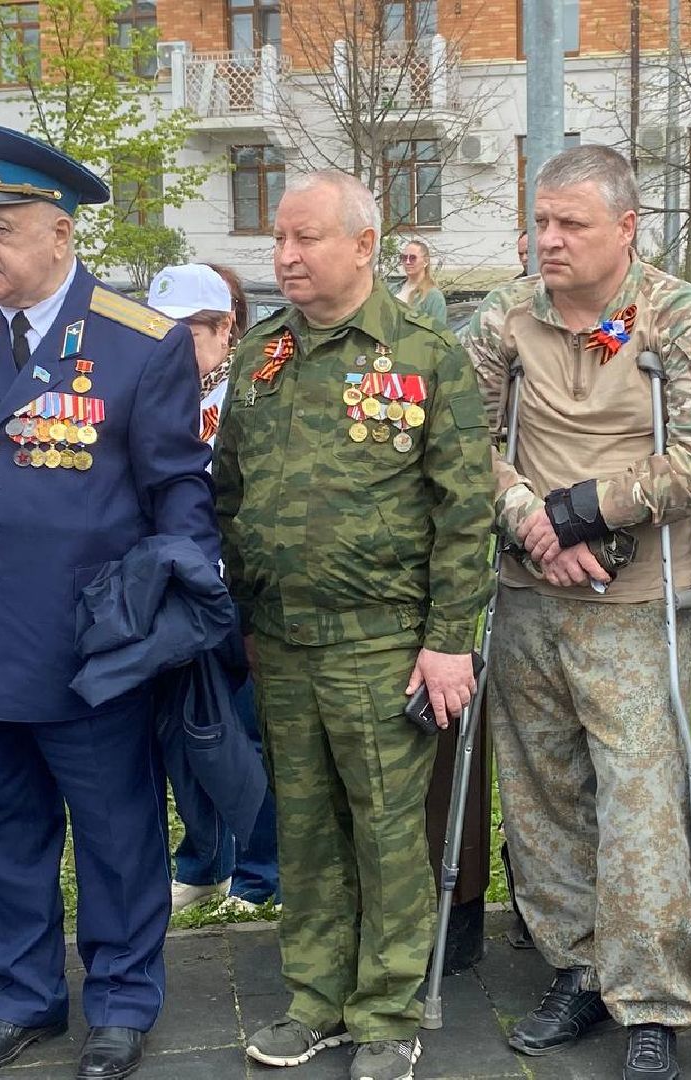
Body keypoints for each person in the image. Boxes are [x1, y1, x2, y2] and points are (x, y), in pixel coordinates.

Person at [0, 123, 218, 1080]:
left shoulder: (137, 344)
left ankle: (121, 1001)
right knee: (2, 832)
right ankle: (25, 997)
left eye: (1, 228)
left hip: (91, 650)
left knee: (116, 835)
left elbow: (179, 493)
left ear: (61, 233)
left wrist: (175, 617)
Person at [466, 144, 691, 1080]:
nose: (549, 239)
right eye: (541, 221)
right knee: (541, 791)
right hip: (528, 591)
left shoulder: (683, 319)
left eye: (571, 223)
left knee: (641, 804)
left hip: (636, 603)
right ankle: (578, 968)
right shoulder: (506, 316)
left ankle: (652, 1000)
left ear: (627, 227)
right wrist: (533, 524)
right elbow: (467, 443)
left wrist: (585, 510)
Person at [215, 170, 492, 1080]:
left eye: (307, 239)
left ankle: (386, 1010)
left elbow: (464, 512)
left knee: (384, 831)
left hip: (384, 642)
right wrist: (246, 611)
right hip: (283, 639)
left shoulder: (425, 355)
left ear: (365, 246)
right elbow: (229, 493)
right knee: (303, 828)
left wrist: (448, 640)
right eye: (279, 240)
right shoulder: (260, 355)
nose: (286, 256)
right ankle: (315, 999)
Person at [146, 262, 280, 915]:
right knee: (181, 734)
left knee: (245, 736)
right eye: (164, 331)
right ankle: (203, 863)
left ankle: (259, 873)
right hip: (172, 594)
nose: (176, 345)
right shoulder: (147, 393)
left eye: (193, 331)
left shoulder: (252, 394)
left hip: (237, 594)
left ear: (227, 329)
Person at [393, 239, 447, 324]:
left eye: (412, 258)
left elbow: (439, 330)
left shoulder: (434, 296)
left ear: (426, 261)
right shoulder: (391, 289)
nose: (407, 262)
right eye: (404, 258)